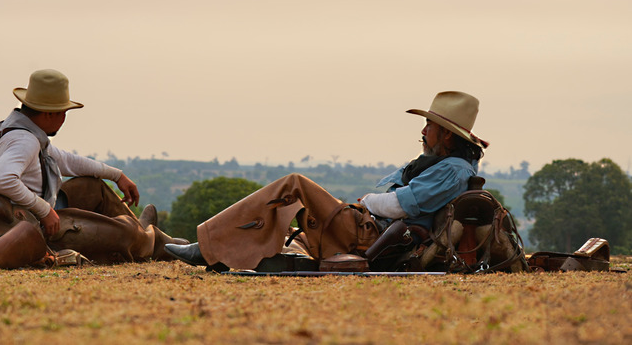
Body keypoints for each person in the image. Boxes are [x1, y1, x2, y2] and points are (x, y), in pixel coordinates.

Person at [164, 91, 488, 271]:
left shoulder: (453, 170)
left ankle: (206, 246)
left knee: (295, 185)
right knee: (290, 215)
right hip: (371, 227)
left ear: (446, 134)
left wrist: (366, 202)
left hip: (374, 232)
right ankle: (221, 252)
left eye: (429, 126)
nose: (422, 131)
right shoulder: (448, 165)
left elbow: (400, 205)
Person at [0, 69, 186, 265]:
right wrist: (44, 209)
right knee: (125, 236)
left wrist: (117, 175)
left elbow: (66, 161)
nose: (64, 118)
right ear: (50, 113)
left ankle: (144, 231)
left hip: (35, 215)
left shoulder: (25, 134)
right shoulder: (25, 140)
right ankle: (156, 241)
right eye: (63, 112)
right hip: (29, 227)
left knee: (92, 187)